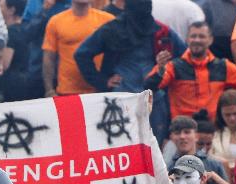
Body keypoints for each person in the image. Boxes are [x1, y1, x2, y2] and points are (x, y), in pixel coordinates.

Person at [75, 0, 186, 143]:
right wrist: (102, 81)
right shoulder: (112, 30)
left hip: (154, 99)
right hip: (120, 98)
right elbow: (82, 54)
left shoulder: (161, 31)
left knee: (153, 146)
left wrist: (166, 70)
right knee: (121, 144)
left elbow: (184, 57)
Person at [144, 22, 236, 121]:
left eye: (201, 36)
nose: (197, 40)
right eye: (193, 36)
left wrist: (231, 112)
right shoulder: (173, 67)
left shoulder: (223, 66)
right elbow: (149, 86)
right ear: (187, 39)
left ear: (210, 40)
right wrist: (160, 70)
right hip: (183, 131)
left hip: (213, 131)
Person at [41, 0, 114, 97]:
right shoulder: (56, 21)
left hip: (100, 91)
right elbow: (49, 58)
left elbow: (120, 52)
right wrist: (49, 90)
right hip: (67, 91)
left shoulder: (107, 20)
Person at [0, 0, 36, 102]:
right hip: (28, 81)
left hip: (13, 85)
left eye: (1, 6)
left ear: (11, 10)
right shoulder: (27, 28)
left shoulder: (12, 32)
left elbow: (5, 64)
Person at [212, 89, 236, 176]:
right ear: (220, 114)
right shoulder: (213, 134)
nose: (232, 118)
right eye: (227, 114)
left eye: (235, 113)